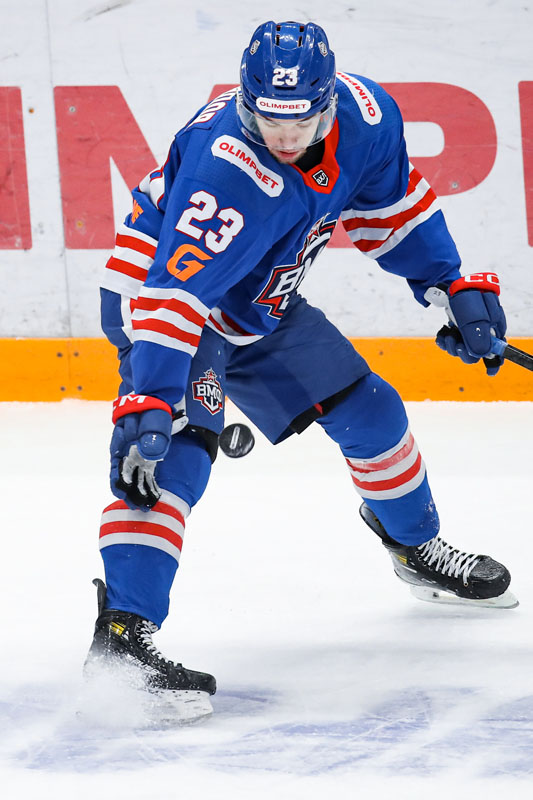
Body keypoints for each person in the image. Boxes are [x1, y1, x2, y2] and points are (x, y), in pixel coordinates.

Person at [86, 21, 515, 721]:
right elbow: (173, 296)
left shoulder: (367, 117)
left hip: (258, 299)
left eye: (302, 121)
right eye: (269, 120)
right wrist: (151, 397)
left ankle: (415, 550)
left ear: (329, 101)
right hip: (166, 306)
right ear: (245, 102)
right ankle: (123, 637)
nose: (285, 137)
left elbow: (393, 214)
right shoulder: (224, 169)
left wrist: (449, 285)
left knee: (372, 411)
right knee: (170, 452)